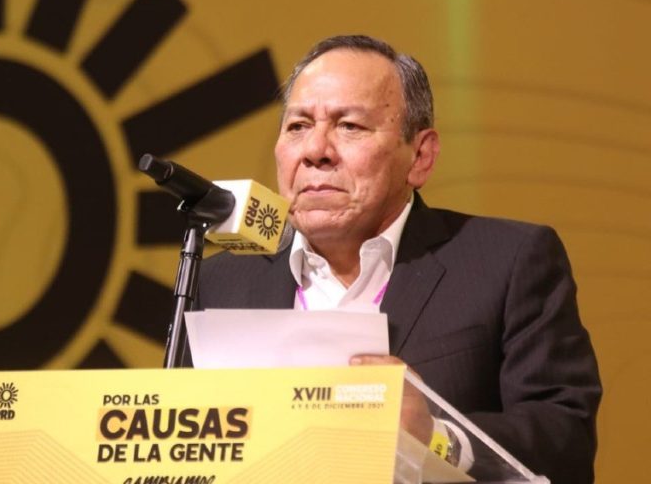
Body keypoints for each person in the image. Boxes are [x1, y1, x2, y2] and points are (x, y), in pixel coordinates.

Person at [191, 35, 601, 483]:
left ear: (420, 156)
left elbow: (567, 442)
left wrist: (437, 439)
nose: (315, 150)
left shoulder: (507, 261)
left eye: (349, 126)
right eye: (298, 126)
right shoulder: (219, 282)